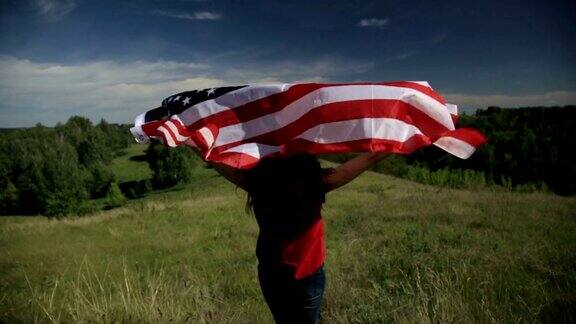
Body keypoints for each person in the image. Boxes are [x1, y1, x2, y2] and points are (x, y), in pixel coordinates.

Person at [208, 152, 389, 324]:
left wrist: (190, 138)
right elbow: (369, 158)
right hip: (307, 275)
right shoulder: (314, 181)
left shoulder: (258, 181)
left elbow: (214, 160)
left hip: (272, 274)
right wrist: (403, 136)